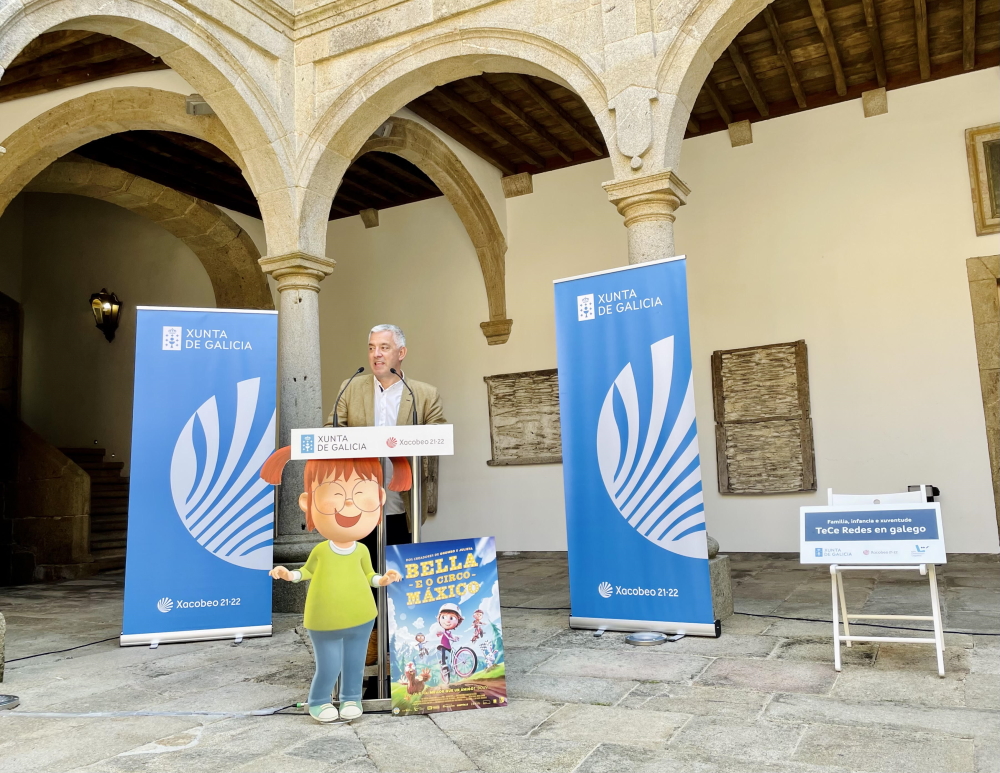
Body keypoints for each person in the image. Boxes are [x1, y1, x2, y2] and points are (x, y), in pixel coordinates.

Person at [262, 450, 408, 723]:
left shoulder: (362, 550)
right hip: (324, 619)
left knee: (354, 663)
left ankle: (351, 698)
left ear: (380, 499)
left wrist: (383, 579)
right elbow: (306, 572)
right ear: (307, 502)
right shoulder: (320, 550)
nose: (349, 505)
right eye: (336, 496)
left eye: (360, 495)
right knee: (328, 665)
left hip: (362, 616)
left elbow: (370, 576)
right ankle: (319, 700)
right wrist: (288, 574)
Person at [325, 324, 446, 547]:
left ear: (401, 353)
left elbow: (439, 436)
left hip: (402, 502)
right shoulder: (350, 387)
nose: (376, 354)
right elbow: (330, 431)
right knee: (362, 566)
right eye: (371, 348)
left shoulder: (424, 394)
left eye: (384, 347)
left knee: (398, 566)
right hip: (356, 503)